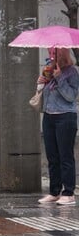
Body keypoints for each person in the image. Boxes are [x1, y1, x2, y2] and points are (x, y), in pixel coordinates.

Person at [36, 48, 79, 205]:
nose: (52, 56)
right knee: (52, 156)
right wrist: (41, 82)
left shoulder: (71, 72)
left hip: (65, 117)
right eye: (51, 54)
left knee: (65, 155)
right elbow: (43, 95)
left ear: (64, 55)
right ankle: (54, 191)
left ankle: (68, 192)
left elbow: (71, 96)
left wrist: (59, 78)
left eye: (55, 54)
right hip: (49, 116)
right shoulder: (49, 69)